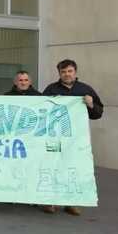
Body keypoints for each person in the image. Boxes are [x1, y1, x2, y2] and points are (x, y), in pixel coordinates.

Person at [41, 59, 104, 216]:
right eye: (63, 72)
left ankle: (71, 202)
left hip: (76, 139)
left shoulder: (85, 89)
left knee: (73, 169)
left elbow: (98, 113)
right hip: (54, 137)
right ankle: (51, 202)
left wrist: (90, 104)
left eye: (69, 71)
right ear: (59, 74)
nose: (67, 74)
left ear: (75, 72)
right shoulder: (51, 89)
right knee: (52, 168)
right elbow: (40, 111)